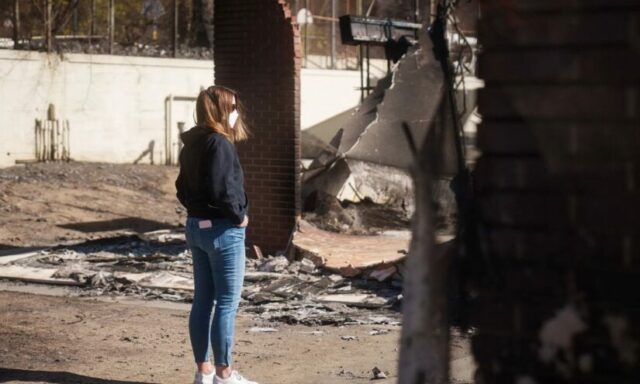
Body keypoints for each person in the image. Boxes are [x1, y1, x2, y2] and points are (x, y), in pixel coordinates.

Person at [175, 85, 257, 384]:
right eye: (233, 106)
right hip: (223, 230)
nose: (236, 112)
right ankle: (224, 374)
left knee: (203, 300)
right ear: (221, 110)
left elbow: (181, 188)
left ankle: (204, 371)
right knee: (226, 302)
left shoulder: (191, 144)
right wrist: (240, 216)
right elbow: (225, 190)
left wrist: (198, 211)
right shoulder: (220, 143)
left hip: (196, 227)